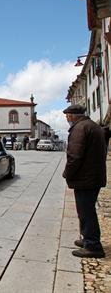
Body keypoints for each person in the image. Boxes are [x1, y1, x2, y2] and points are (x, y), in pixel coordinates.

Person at [62, 104, 106, 258]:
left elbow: (74, 156)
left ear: (73, 115)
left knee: (86, 211)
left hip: (86, 178)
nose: (67, 118)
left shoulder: (80, 129)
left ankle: (93, 245)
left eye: (67, 116)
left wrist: (67, 173)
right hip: (93, 176)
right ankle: (87, 238)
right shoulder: (92, 126)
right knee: (86, 210)